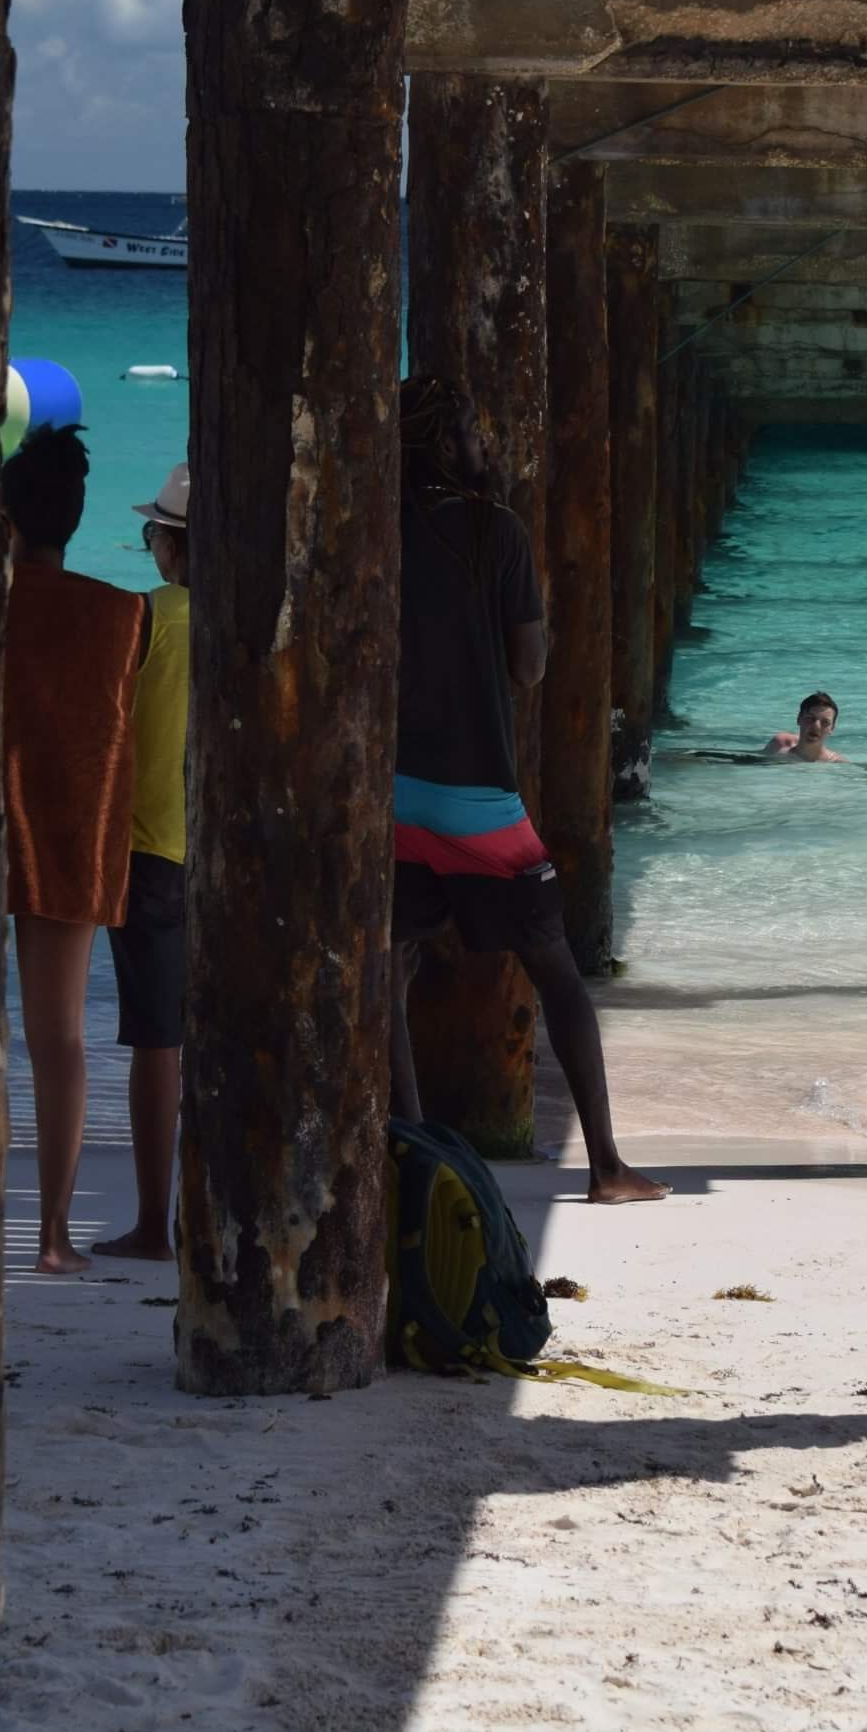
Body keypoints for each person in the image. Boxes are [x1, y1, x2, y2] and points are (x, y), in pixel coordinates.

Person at [389, 376, 665, 1204]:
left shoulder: (374, 525)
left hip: (393, 795)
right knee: (556, 970)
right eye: (475, 431)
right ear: (449, 443)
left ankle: (411, 1151)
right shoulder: (495, 532)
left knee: (389, 972)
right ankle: (607, 1167)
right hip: (477, 796)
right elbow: (531, 665)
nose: (485, 446)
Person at [1, 425, 144, 1274]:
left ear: (4, 518)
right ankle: (52, 1237)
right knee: (58, 1040)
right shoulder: (122, 615)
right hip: (72, 832)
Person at [95, 464, 191, 1263]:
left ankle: (154, 1222)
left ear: (167, 545)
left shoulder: (143, 617)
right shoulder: (250, 618)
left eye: (153, 532)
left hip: (153, 851)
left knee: (159, 1043)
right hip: (239, 857)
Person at [763, 691, 847, 764]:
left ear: (832, 728)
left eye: (825, 722)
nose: (816, 726)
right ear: (799, 719)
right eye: (810, 718)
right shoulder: (780, 744)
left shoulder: (836, 763)